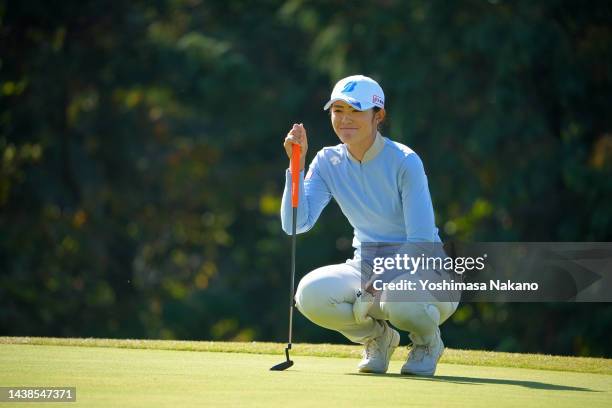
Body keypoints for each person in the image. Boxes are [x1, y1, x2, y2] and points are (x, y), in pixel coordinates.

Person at [280, 75, 458, 376]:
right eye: (338, 111)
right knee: (309, 293)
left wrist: (380, 280)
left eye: (356, 111)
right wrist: (296, 168)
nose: (345, 119)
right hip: (365, 268)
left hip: (425, 272)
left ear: (379, 116)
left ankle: (428, 343)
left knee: (399, 296)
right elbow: (295, 224)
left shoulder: (405, 161)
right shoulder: (327, 161)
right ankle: (379, 339)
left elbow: (422, 239)